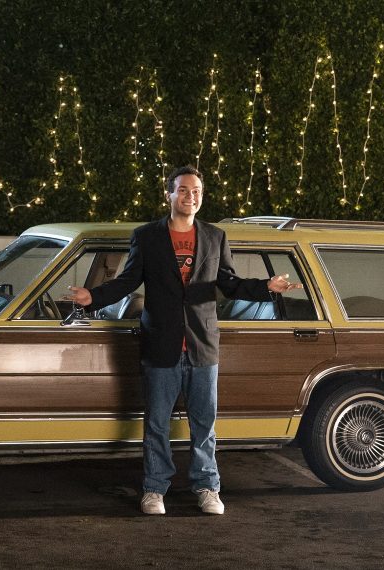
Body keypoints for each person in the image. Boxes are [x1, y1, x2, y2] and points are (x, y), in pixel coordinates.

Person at [64, 165, 301, 515]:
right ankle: (154, 489)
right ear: (169, 194)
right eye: (184, 190)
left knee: (204, 424)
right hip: (161, 345)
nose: (191, 197)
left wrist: (266, 287)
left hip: (203, 345)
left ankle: (207, 487)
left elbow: (229, 283)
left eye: (197, 192)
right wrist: (93, 297)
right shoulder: (146, 237)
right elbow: (128, 281)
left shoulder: (215, 237)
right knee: (157, 424)